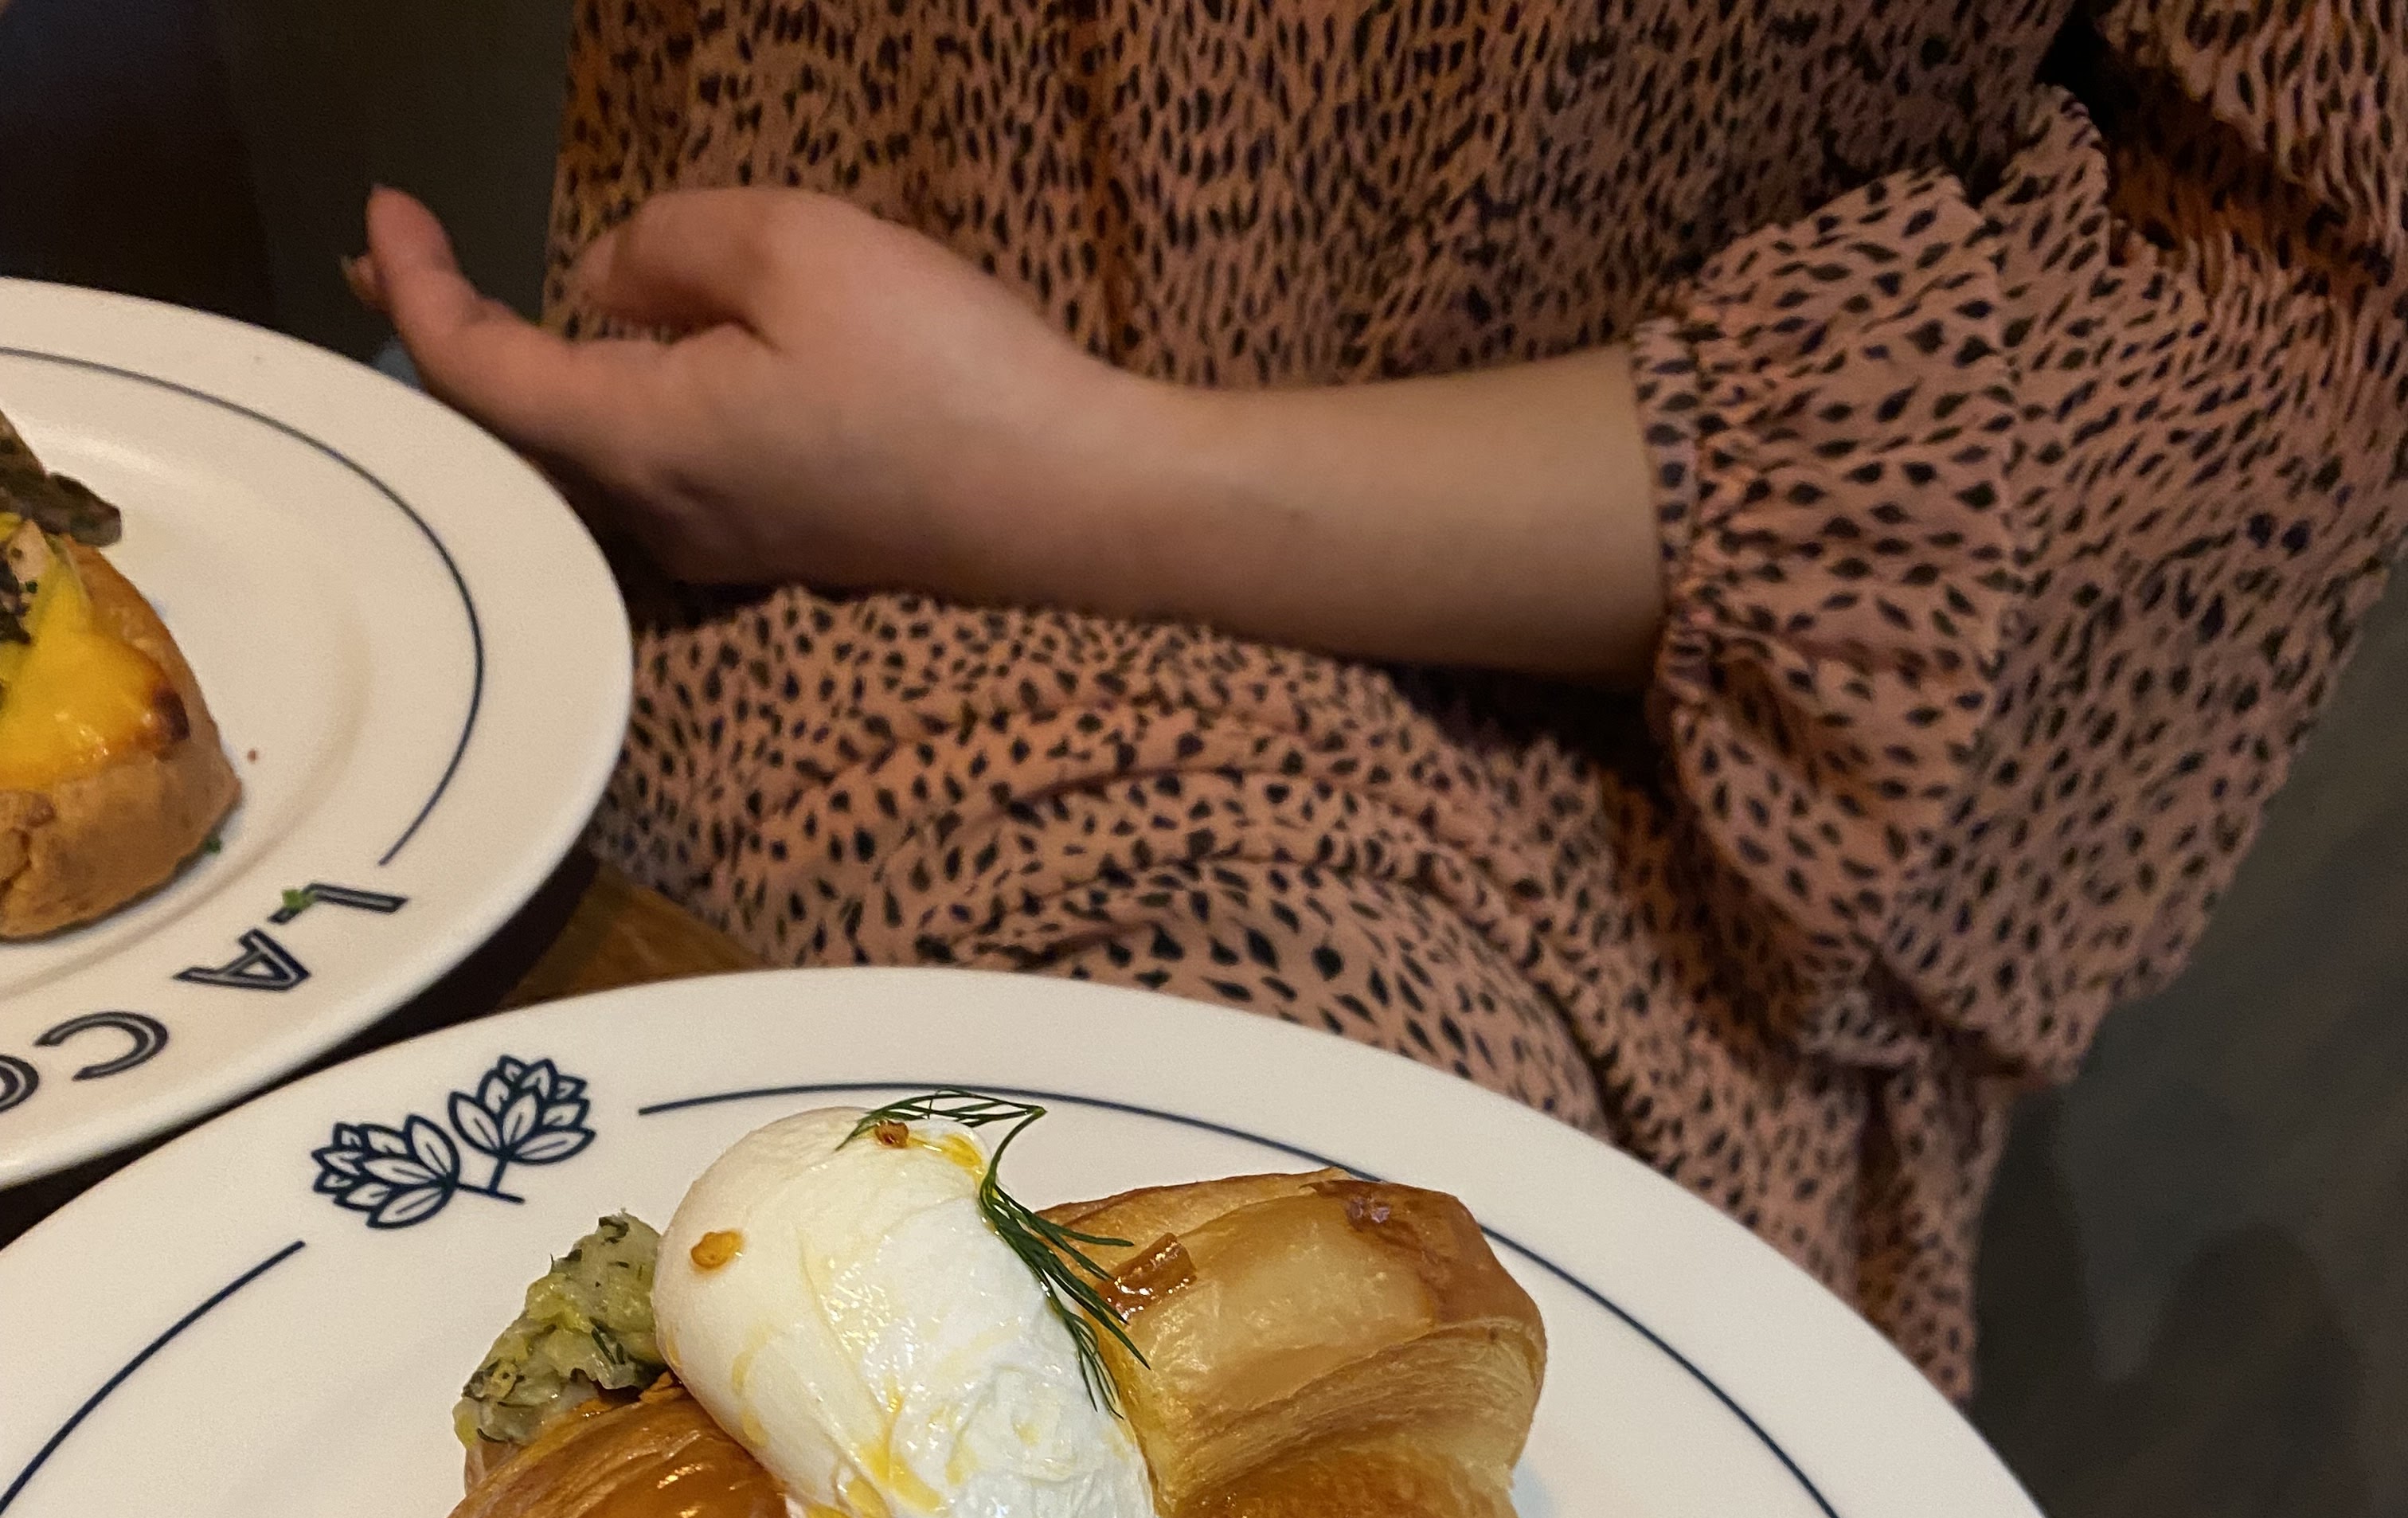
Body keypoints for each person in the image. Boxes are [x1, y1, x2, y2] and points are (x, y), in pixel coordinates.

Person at [358, 0, 2408, 1396]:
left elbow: (2277, 338)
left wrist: (1073, 480)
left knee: (1300, 1354)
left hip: (1632, 792)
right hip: (703, 569)